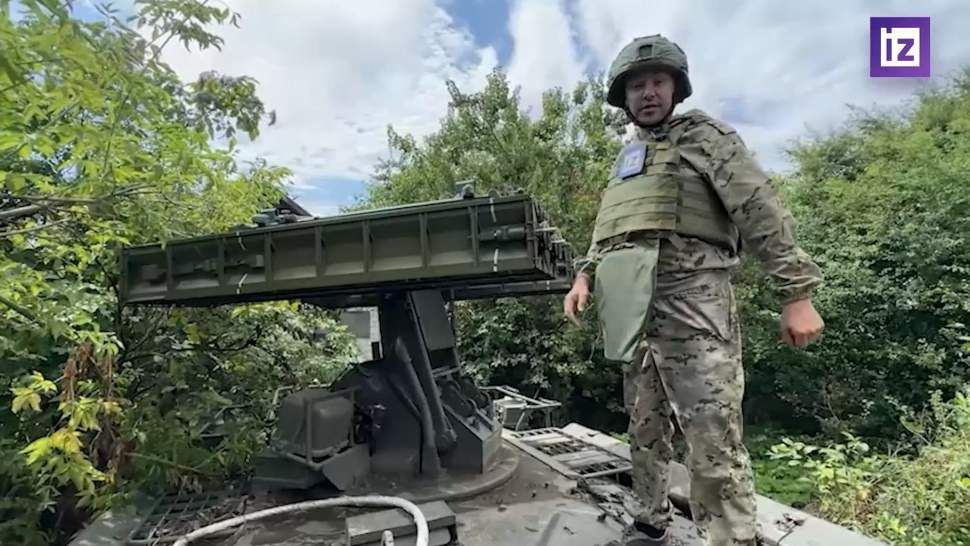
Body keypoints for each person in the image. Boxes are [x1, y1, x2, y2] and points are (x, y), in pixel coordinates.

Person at [563, 35, 825, 546]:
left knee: (710, 432)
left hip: (694, 303)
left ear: (676, 87)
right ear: (624, 97)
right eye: (637, 86)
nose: (647, 93)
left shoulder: (706, 137)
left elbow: (760, 209)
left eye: (657, 82)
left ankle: (731, 538)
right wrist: (585, 275)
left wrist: (796, 292)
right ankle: (649, 521)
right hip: (632, 309)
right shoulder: (628, 158)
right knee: (644, 425)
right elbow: (613, 228)